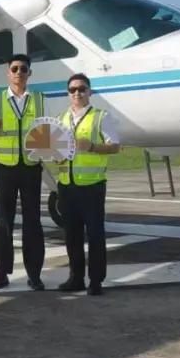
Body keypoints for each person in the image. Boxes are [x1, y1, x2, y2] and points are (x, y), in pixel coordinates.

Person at [0, 54, 47, 290]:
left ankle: (34, 274)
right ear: (8, 73)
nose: (19, 72)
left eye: (23, 69)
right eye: (14, 68)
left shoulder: (39, 100)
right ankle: (2, 272)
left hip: (31, 166)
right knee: (4, 220)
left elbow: (47, 132)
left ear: (29, 73)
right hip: (5, 167)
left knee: (33, 221)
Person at [54, 73, 121, 296]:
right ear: (68, 93)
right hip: (67, 184)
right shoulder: (60, 119)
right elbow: (55, 151)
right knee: (71, 234)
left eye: (82, 89)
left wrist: (91, 146)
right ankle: (76, 277)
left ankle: (95, 280)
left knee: (95, 234)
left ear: (90, 92)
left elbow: (115, 147)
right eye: (73, 90)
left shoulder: (102, 117)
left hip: (92, 185)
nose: (77, 93)